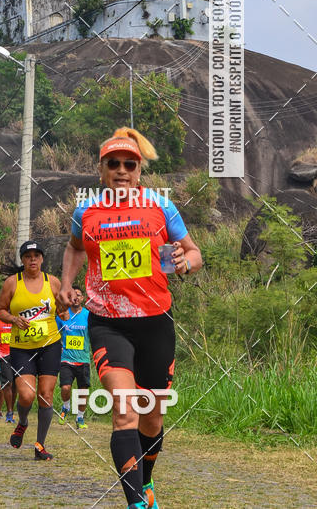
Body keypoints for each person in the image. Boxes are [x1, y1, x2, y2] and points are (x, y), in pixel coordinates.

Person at [59, 127, 203, 509]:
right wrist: (66, 285)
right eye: (114, 164)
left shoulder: (160, 207)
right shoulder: (86, 212)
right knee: (124, 409)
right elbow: (75, 249)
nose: (122, 170)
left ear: (139, 170)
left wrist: (184, 264)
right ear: (102, 169)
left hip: (156, 321)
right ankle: (137, 502)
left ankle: (147, 479)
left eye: (130, 164)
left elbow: (193, 253)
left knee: (151, 417)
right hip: (108, 321)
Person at [0, 240, 65, 461]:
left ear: (42, 259)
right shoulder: (12, 283)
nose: (32, 259)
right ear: (22, 260)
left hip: (49, 345)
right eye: (28, 256)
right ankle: (23, 422)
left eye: (36, 255)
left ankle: (40, 445)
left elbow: (62, 310)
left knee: (45, 395)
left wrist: (64, 308)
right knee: (26, 395)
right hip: (22, 348)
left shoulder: (52, 282)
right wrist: (14, 319)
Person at [57, 286, 90, 429]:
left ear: (82, 298)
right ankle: (66, 407)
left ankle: (80, 418)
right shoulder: (63, 315)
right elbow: (55, 333)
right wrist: (59, 345)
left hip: (83, 359)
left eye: (79, 295)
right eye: (73, 295)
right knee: (65, 387)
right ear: (69, 299)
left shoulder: (88, 315)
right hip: (66, 359)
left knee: (83, 391)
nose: (76, 297)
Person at [0, 317, 15, 423]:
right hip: (2, 355)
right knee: (8, 382)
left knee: (16, 385)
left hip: (17, 354)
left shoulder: (17, 319)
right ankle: (9, 413)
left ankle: (12, 410)